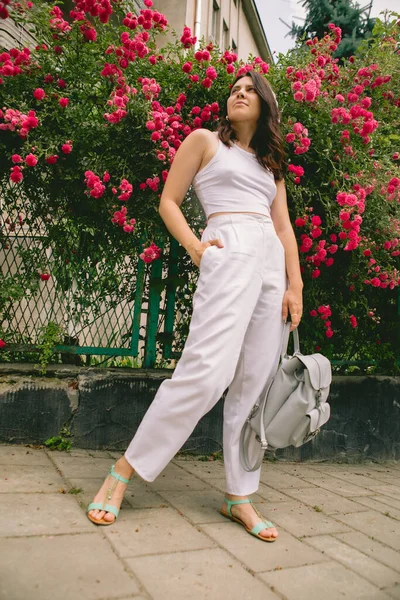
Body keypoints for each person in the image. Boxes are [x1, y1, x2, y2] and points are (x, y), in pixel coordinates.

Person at [87, 71, 303, 542]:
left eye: (249, 90)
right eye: (235, 89)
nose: (239, 93)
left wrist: (295, 286)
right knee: (206, 372)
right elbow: (169, 200)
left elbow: (284, 228)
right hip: (228, 250)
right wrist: (194, 247)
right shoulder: (205, 141)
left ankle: (239, 495)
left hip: (270, 263)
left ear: (265, 104)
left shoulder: (270, 165)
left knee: (255, 384)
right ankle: (124, 469)